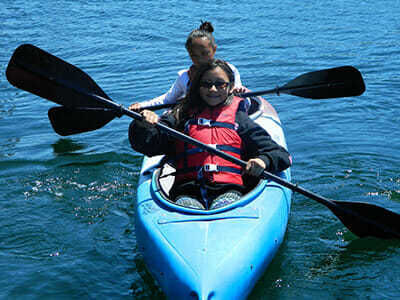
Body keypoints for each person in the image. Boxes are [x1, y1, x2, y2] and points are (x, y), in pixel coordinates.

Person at [129, 59, 291, 210]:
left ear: (230, 87)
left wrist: (263, 161)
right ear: (197, 86)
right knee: (187, 205)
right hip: (186, 192)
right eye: (206, 84)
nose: (213, 89)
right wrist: (144, 124)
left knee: (225, 204)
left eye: (220, 84)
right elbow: (148, 144)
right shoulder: (180, 115)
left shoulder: (239, 119)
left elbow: (280, 155)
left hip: (228, 190)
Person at [129, 21, 244, 111]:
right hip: (196, 119)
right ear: (189, 54)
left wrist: (238, 89)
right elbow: (167, 99)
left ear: (214, 50)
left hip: (224, 116)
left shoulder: (229, 70)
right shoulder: (184, 77)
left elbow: (237, 87)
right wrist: (143, 105)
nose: (200, 60)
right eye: (194, 55)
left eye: (204, 54)